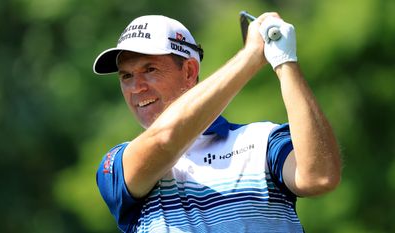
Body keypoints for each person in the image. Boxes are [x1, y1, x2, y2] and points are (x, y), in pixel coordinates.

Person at [93, 12, 341, 233]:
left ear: (189, 71)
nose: (136, 87)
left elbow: (318, 177)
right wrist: (251, 57)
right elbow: (164, 139)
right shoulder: (117, 165)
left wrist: (284, 61)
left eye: (150, 70)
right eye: (126, 76)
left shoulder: (262, 141)